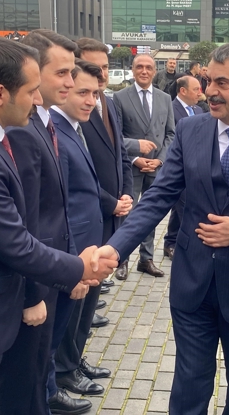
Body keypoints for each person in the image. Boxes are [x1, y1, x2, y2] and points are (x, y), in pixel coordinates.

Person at [91, 42, 229, 414]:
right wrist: (116, 248)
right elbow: (159, 196)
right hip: (192, 282)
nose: (209, 90)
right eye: (208, 80)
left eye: (222, 83)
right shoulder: (191, 130)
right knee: (190, 383)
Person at [0, 36, 115, 415]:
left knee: (27, 387)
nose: (39, 98)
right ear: (0, 93)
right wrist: (76, 269)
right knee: (12, 394)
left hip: (13, 290)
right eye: (32, 90)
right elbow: (15, 238)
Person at [0, 29, 91, 415]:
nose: (70, 82)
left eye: (72, 73)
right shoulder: (20, 128)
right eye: (61, 73)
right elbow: (23, 221)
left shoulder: (42, 121)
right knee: (24, 380)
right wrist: (33, 294)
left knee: (39, 368)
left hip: (54, 271)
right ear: (31, 70)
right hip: (36, 278)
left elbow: (55, 206)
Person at [50, 59, 112, 414]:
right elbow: (59, 204)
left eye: (95, 93)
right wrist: (74, 260)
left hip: (90, 243)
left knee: (81, 316)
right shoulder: (55, 131)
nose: (91, 101)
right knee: (67, 317)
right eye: (83, 92)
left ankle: (73, 361)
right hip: (73, 249)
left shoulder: (74, 127)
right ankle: (62, 373)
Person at [76, 38, 134, 281]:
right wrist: (110, 203)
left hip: (113, 213)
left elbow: (120, 153)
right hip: (90, 215)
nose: (101, 73)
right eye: (94, 67)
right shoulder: (75, 109)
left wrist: (127, 193)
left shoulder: (108, 102)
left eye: (105, 67)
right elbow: (77, 173)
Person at [113, 54, 175, 278]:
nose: (144, 71)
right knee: (127, 214)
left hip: (156, 167)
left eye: (149, 67)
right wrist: (135, 158)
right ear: (133, 70)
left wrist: (160, 160)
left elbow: (171, 134)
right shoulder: (119, 97)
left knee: (151, 215)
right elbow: (116, 136)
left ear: (155, 71)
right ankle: (122, 258)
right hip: (131, 168)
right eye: (139, 67)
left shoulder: (164, 98)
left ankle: (146, 259)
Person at [163, 75, 204, 260]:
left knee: (179, 207)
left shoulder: (198, 110)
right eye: (196, 89)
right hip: (180, 167)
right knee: (185, 207)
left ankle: (170, 242)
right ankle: (182, 245)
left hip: (198, 167)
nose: (200, 93)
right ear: (183, 91)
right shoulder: (170, 109)